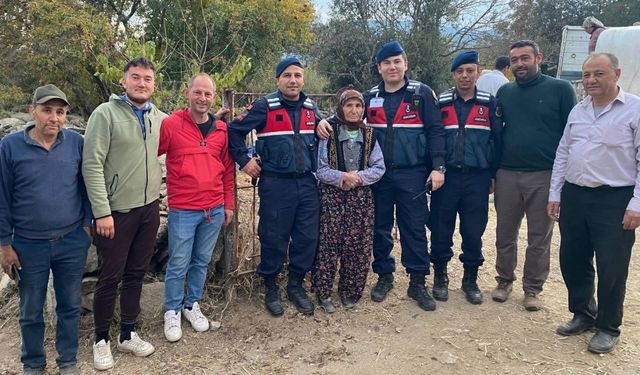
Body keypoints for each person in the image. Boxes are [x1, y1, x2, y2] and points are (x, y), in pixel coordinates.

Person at [317, 40, 446, 311]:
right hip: (378, 177)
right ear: (379, 67)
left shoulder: (421, 94)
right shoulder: (370, 95)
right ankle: (384, 276)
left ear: (405, 64)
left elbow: (435, 131)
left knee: (413, 228)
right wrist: (323, 121)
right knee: (380, 228)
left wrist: (438, 166)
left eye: (397, 61)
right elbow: (345, 114)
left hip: (412, 173)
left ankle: (417, 282)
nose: (392, 67)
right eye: (386, 63)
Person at [548, 53, 640, 354]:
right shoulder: (579, 110)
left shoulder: (634, 110)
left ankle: (608, 327)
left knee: (612, 267)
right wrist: (555, 194)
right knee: (573, 259)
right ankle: (583, 314)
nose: (590, 81)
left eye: (598, 74)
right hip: (575, 195)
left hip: (614, 198)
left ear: (616, 73)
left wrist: (636, 204)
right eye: (586, 75)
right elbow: (563, 153)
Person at [0, 85, 92, 375]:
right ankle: (33, 363)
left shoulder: (76, 142)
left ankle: (68, 361)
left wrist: (87, 226)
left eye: (60, 112)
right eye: (47, 110)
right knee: (30, 310)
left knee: (69, 306)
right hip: (28, 244)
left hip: (71, 241)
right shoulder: (10, 146)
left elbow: (87, 185)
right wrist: (4, 244)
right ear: (33, 111)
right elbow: (2, 196)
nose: (54, 117)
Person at [83, 57, 167, 370]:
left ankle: (128, 333)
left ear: (153, 84)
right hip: (115, 213)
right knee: (110, 277)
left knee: (136, 274)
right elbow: (91, 164)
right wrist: (101, 212)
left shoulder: (159, 117)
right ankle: (101, 339)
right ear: (124, 80)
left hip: (149, 209)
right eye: (136, 77)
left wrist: (218, 118)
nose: (142, 83)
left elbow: (189, 125)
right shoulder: (104, 114)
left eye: (147, 78)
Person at [228, 57, 321, 316]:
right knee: (273, 237)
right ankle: (270, 286)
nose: (293, 80)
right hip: (276, 184)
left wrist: (324, 122)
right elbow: (233, 131)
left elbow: (324, 132)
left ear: (303, 79)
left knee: (307, 238)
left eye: (298, 76)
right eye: (287, 75)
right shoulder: (263, 106)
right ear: (278, 79)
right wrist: (244, 161)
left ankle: (295, 286)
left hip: (307, 183)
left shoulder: (312, 108)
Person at [492, 40, 576, 311]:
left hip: (545, 174)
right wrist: (493, 172)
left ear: (538, 57)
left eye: (525, 58)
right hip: (507, 173)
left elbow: (571, 134)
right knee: (505, 233)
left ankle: (532, 289)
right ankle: (504, 281)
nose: (519, 64)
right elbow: (497, 135)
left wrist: (563, 178)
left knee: (539, 236)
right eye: (514, 59)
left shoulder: (560, 89)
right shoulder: (505, 92)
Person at [159, 73, 235, 342]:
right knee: (178, 263)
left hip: (213, 209)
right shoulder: (170, 125)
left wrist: (229, 203)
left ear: (213, 98)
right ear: (186, 93)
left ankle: (192, 304)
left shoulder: (221, 129)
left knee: (201, 261)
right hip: (183, 209)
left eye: (208, 94)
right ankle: (172, 310)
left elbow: (227, 168)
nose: (203, 98)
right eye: (198, 92)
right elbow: (147, 156)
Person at [429, 51, 502, 305]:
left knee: (473, 231)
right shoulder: (442, 102)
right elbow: (434, 138)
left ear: (478, 73)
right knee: (440, 228)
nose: (464, 76)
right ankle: (440, 277)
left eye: (470, 70)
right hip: (447, 177)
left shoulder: (488, 103)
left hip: (477, 178)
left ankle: (470, 280)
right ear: (453, 75)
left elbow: (497, 140)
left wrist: (493, 174)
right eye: (459, 71)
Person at [312, 88, 385, 313]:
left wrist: (358, 178)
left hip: (361, 198)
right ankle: (323, 292)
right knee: (328, 244)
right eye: (349, 106)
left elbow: (379, 167)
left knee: (357, 246)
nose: (354, 111)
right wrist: (342, 177)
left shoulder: (370, 135)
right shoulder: (328, 132)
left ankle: (350, 291)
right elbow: (321, 168)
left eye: (358, 106)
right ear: (340, 108)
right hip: (333, 197)